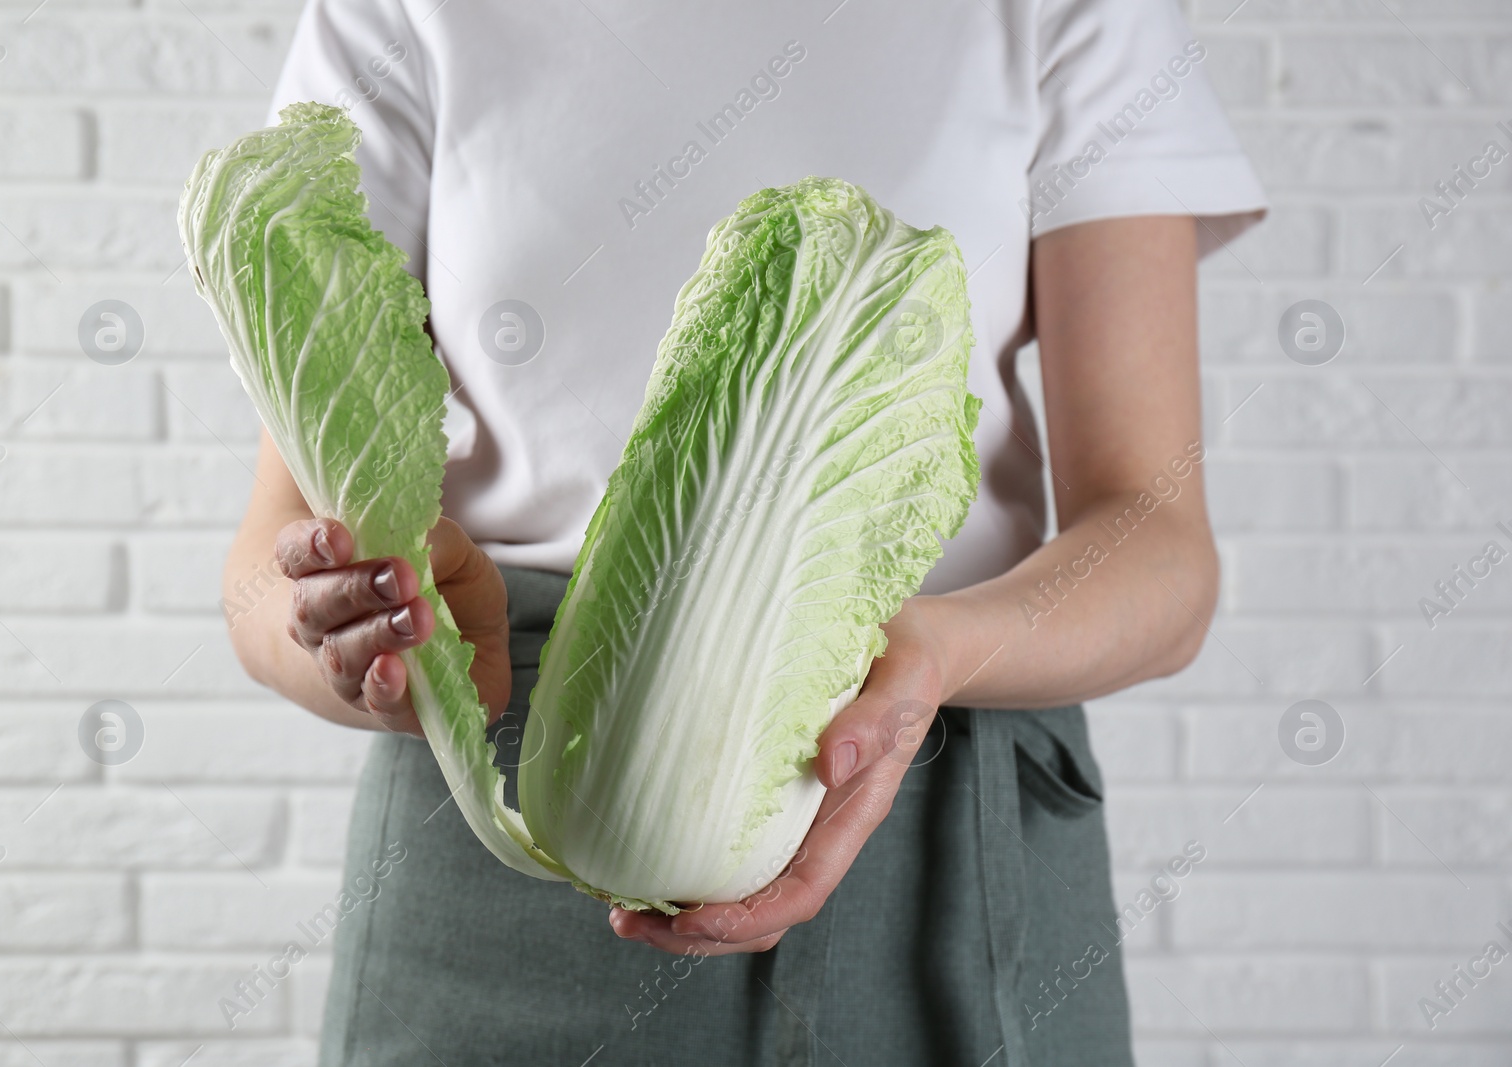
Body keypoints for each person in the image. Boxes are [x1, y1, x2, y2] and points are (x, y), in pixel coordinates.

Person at [224, 1, 1265, 1063]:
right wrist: (370, 647)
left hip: (927, 795)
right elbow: (268, 565)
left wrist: (931, 656)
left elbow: (1157, 542)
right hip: (496, 782)